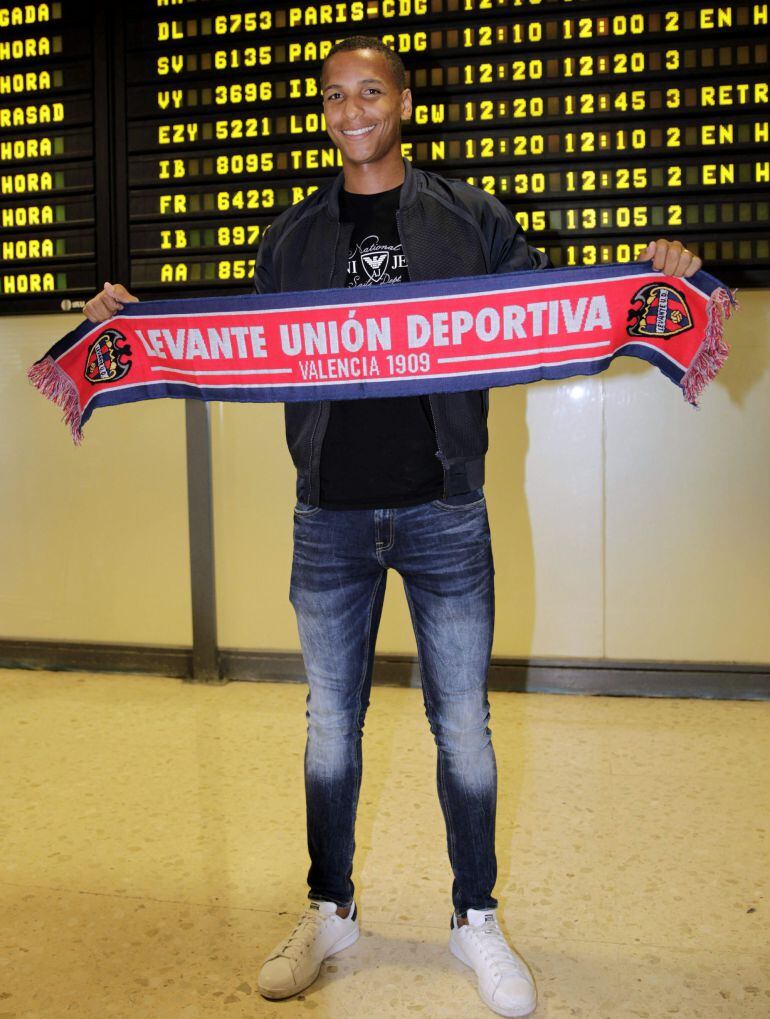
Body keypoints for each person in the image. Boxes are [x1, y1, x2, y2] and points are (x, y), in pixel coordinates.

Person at [84, 36, 702, 1018]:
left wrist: (650, 275)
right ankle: (329, 909)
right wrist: (130, 321)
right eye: (335, 95)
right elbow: (233, 340)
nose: (352, 110)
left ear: (403, 101)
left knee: (465, 729)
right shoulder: (289, 238)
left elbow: (555, 312)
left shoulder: (471, 218)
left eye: (369, 90)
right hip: (326, 516)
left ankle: (475, 916)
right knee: (330, 728)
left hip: (443, 508)